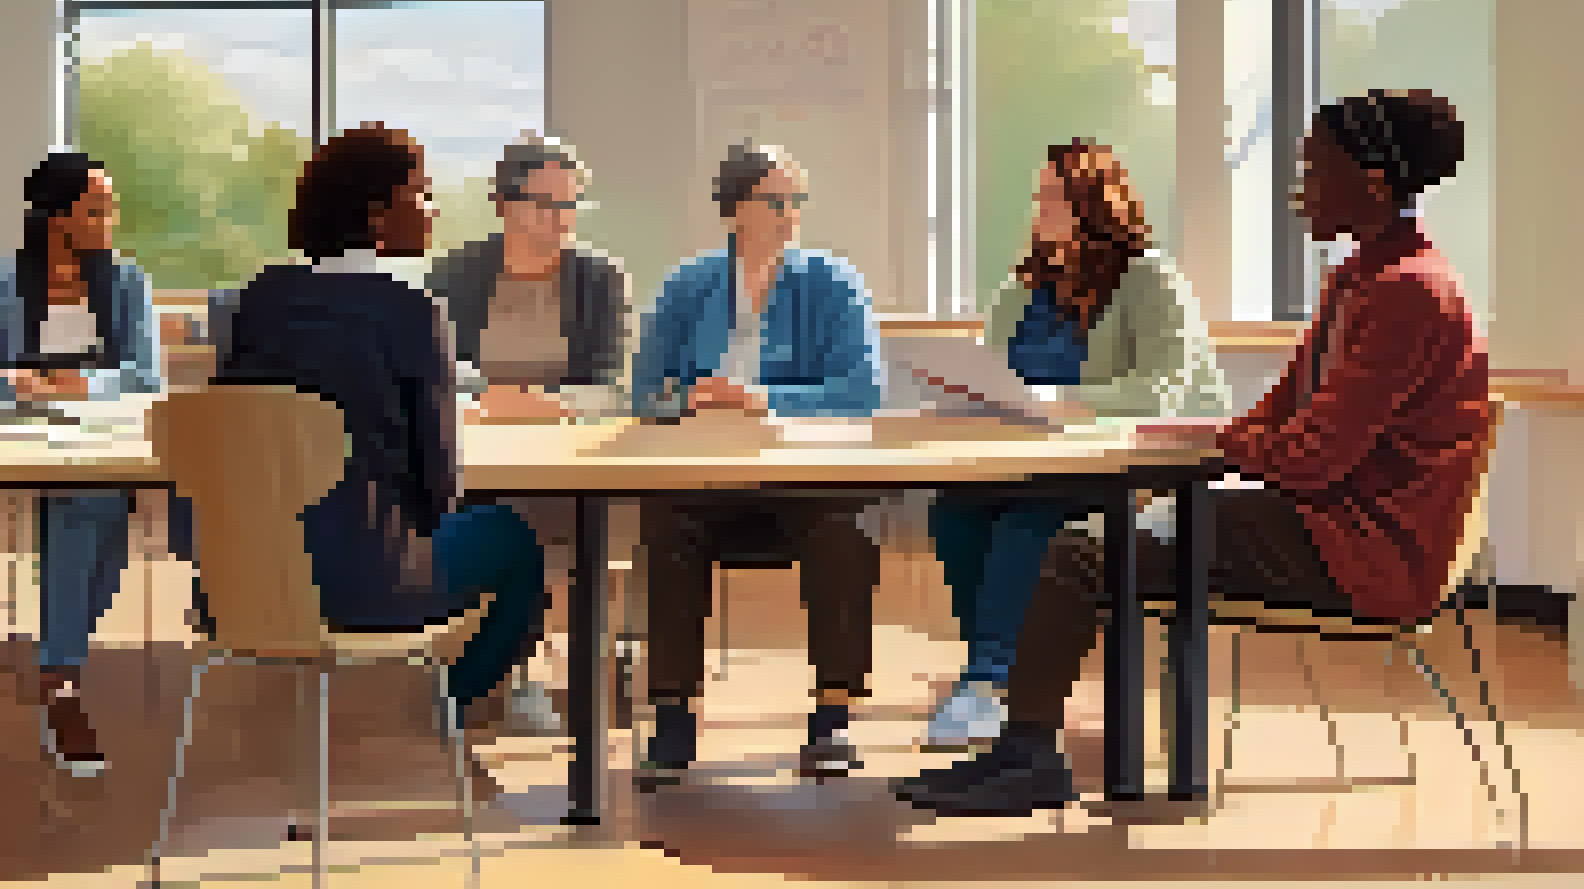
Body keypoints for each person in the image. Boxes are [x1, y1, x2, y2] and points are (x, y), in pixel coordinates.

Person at [898, 88, 1493, 817]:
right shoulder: (1360, 278)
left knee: (1081, 549)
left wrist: (1219, 439)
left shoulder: (1407, 293)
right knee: (1072, 534)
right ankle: (1012, 742)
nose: (1299, 187)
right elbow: (1282, 415)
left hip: (1362, 547)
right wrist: (1226, 438)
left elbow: (1311, 457)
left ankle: (1024, 759)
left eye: (1314, 167)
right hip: (1334, 521)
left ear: (1372, 183)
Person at [208, 122, 549, 735]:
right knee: (514, 539)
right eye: (418, 194)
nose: (432, 208)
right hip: (367, 583)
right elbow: (441, 484)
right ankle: (448, 705)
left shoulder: (258, 300)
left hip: (245, 582)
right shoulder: (411, 311)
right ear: (377, 214)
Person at [922, 141, 1230, 750]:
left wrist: (1065, 400)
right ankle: (997, 670)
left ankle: (985, 685)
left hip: (1129, 466)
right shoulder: (1021, 287)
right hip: (1029, 454)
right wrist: (970, 392)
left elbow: (1160, 390)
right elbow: (998, 374)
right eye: (1038, 197)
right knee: (953, 513)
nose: (1039, 209)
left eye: (1053, 197)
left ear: (1095, 203)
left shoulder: (1149, 278)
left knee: (1026, 522)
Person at [631, 143, 888, 779]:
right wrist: (691, 397)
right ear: (735, 210)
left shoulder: (834, 282)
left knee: (847, 529)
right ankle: (671, 719)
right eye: (776, 201)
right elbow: (641, 391)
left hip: (804, 479)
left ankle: (833, 720)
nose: (790, 214)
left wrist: (761, 399)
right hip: (707, 475)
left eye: (797, 201)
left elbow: (862, 391)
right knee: (665, 521)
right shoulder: (689, 284)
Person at [0, 152, 162, 777]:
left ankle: (63, 655)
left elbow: (147, 376)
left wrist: (80, 388)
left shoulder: (128, 284)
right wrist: (18, 386)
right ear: (57, 218)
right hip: (20, 432)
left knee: (100, 531)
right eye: (99, 209)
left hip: (102, 430)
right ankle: (60, 677)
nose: (111, 221)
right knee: (82, 508)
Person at [426, 135, 631, 731]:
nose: (561, 219)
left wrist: (551, 403)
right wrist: (484, 398)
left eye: (571, 205)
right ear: (504, 204)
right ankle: (498, 671)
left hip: (565, 451)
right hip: (473, 450)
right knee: (490, 521)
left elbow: (610, 382)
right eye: (546, 204)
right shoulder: (454, 274)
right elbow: (432, 371)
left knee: (550, 525)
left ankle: (521, 673)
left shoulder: (598, 279)